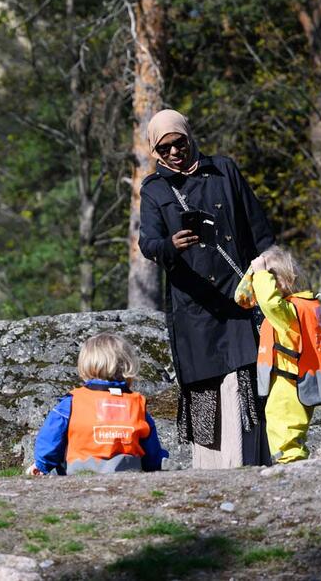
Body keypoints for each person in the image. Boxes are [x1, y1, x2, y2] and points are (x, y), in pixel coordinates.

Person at [138, 108, 275, 469]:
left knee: (243, 380)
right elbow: (148, 243)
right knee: (206, 388)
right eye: (164, 149)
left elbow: (257, 225)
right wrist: (172, 244)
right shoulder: (155, 189)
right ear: (155, 151)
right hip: (195, 303)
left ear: (189, 136)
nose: (173, 153)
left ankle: (251, 464)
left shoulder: (224, 170)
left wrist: (271, 269)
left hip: (237, 294)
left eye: (178, 143)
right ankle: (210, 473)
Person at [27, 333, 168, 475]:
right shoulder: (137, 404)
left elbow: (51, 437)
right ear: (127, 366)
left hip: (78, 470)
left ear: (86, 365)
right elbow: (152, 452)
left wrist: (41, 465)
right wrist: (157, 463)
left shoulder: (72, 402)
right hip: (128, 470)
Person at [244, 245, 321, 463]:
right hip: (292, 382)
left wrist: (262, 274)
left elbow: (270, 304)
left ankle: (292, 468)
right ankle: (289, 464)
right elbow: (248, 298)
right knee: (281, 428)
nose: (266, 282)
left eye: (271, 276)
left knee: (286, 432)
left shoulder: (289, 312)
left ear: (286, 280)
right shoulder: (302, 306)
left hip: (290, 385)